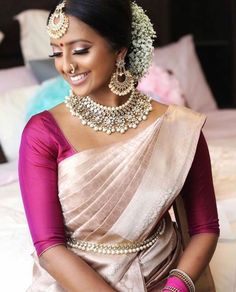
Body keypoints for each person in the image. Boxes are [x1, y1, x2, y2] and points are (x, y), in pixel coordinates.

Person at [18, 0, 219, 291]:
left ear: (120, 51)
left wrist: (176, 287)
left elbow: (204, 228)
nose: (66, 65)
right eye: (56, 52)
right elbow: (49, 247)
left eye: (80, 50)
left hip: (165, 276)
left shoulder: (179, 128)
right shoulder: (43, 132)